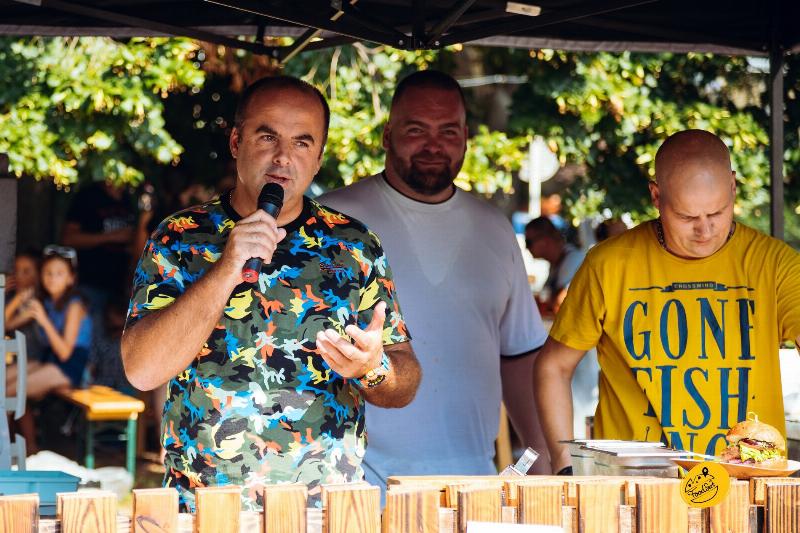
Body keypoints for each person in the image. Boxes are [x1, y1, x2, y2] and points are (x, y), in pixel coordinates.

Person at [121, 76, 421, 511]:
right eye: (268, 136)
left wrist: (374, 368)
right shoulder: (179, 239)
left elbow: (405, 382)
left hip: (324, 510)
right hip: (205, 509)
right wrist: (226, 269)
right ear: (237, 141)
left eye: (303, 143)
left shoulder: (355, 246)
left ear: (318, 159)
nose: (283, 157)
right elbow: (143, 371)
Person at [320, 70, 550, 491]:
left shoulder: (495, 228)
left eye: (447, 131)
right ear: (388, 134)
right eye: (416, 129)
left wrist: (541, 458)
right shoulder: (331, 220)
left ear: (465, 135)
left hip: (474, 483)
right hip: (353, 485)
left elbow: (518, 356)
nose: (433, 145)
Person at [533, 129, 800, 474]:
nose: (705, 230)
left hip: (747, 486)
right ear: (657, 197)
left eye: (718, 212)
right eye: (687, 217)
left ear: (733, 187)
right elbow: (553, 366)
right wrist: (564, 465)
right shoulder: (609, 264)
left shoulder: (776, 264)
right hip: (633, 486)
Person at [5, 246, 93, 452]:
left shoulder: (75, 305)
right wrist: (18, 300)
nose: (52, 278)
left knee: (8, 392)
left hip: (71, 368)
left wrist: (44, 321)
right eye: (48, 273)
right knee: (3, 381)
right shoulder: (47, 302)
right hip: (50, 361)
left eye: (59, 274)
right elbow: (7, 325)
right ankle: (24, 447)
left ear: (71, 279)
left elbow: (65, 353)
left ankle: (9, 449)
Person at [62, 180, 136, 317]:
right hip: (92, 282)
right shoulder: (88, 196)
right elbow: (69, 238)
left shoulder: (129, 197)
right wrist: (111, 237)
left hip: (123, 285)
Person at [524, 216, 585, 315]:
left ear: (544, 240)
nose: (527, 248)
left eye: (529, 242)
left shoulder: (573, 259)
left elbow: (561, 303)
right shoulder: (557, 263)